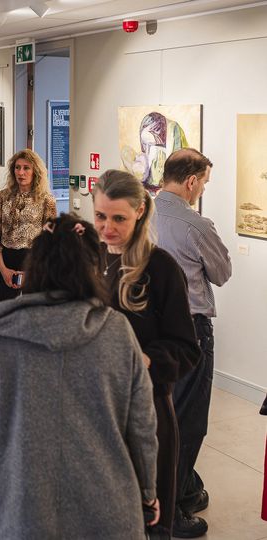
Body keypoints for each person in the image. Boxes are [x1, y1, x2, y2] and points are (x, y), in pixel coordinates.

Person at [0, 213, 160, 539]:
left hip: (24, 508)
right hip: (107, 507)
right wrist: (148, 490)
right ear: (93, 266)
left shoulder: (2, 335)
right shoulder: (116, 330)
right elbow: (142, 424)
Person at [92, 169, 201, 537]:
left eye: (118, 218)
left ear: (139, 212)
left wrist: (146, 360)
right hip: (93, 412)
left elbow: (186, 348)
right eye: (100, 216)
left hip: (146, 413)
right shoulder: (88, 260)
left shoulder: (161, 269)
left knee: (145, 524)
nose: (107, 228)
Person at [154, 148, 232, 537]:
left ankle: (184, 489)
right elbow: (222, 273)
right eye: (203, 183)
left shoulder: (141, 213)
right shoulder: (195, 224)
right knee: (187, 420)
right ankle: (168, 510)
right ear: (191, 181)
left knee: (162, 414)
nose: (202, 190)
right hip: (191, 331)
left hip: (152, 331)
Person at [0, 149, 56, 300]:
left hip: (33, 259)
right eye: (17, 167)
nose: (21, 172)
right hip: (7, 258)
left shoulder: (46, 200)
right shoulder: (3, 196)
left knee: (31, 309)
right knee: (7, 308)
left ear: (35, 171)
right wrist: (2, 268)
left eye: (26, 168)